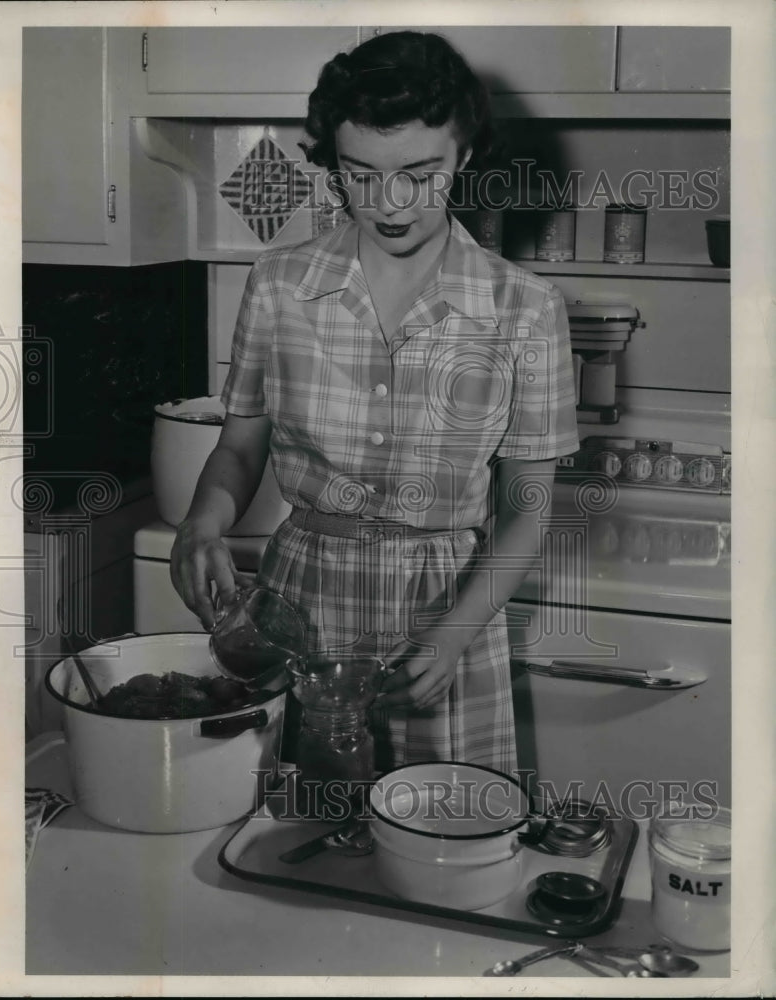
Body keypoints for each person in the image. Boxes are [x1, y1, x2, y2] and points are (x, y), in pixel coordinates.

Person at [170, 30, 579, 775]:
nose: (389, 203)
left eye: (420, 174)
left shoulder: (526, 309)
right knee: (291, 843)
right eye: (359, 175)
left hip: (447, 609)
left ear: (464, 158)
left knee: (441, 853)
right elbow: (238, 447)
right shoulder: (280, 284)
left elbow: (529, 507)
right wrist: (204, 520)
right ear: (333, 164)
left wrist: (452, 635)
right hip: (301, 607)